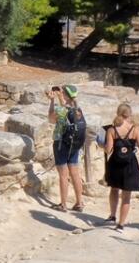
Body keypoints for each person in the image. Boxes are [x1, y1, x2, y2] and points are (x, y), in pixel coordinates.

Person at [104, 104, 139, 231]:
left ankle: (112, 215)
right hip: (130, 164)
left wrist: (101, 144)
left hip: (115, 163)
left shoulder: (112, 130)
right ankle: (121, 224)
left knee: (114, 189)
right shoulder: (135, 129)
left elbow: (108, 150)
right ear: (130, 114)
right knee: (126, 195)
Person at [47, 84, 85, 212]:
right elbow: (65, 105)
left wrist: (52, 101)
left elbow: (50, 119)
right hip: (74, 145)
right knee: (75, 173)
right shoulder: (78, 109)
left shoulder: (60, 110)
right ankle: (79, 202)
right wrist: (59, 98)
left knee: (63, 175)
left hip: (61, 144)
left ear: (64, 95)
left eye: (61, 92)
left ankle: (63, 204)